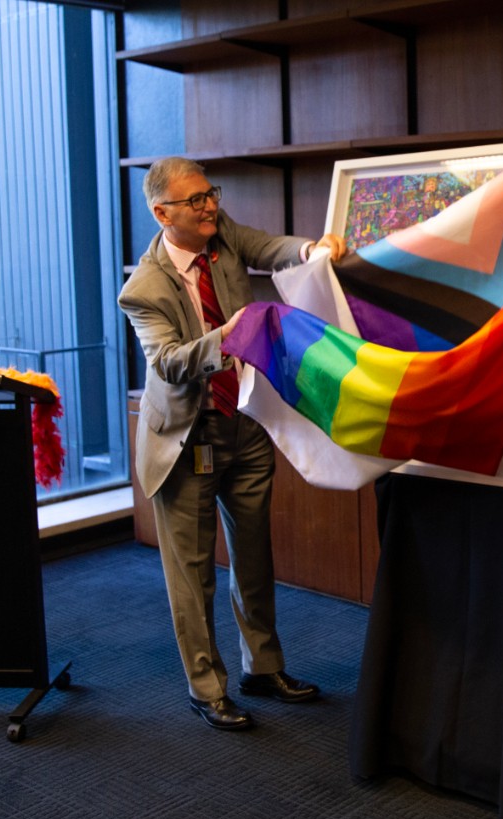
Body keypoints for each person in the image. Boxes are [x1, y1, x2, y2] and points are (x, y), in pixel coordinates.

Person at [119, 156, 346, 732]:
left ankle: (262, 669)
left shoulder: (222, 235)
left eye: (210, 194)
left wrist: (312, 250)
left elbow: (272, 248)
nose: (210, 206)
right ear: (161, 213)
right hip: (186, 437)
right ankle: (207, 687)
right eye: (194, 201)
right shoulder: (142, 290)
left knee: (254, 554)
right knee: (192, 573)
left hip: (244, 426)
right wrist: (233, 334)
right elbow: (169, 364)